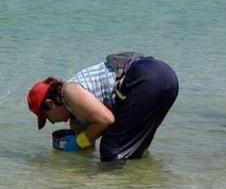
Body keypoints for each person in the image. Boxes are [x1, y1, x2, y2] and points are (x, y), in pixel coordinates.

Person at [26, 52, 178, 162]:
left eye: (46, 117)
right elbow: (88, 147)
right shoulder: (77, 118)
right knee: (136, 150)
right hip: (167, 78)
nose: (52, 123)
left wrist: (78, 142)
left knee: (110, 149)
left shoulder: (69, 92)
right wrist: (73, 159)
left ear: (49, 103)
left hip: (146, 79)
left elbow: (106, 120)